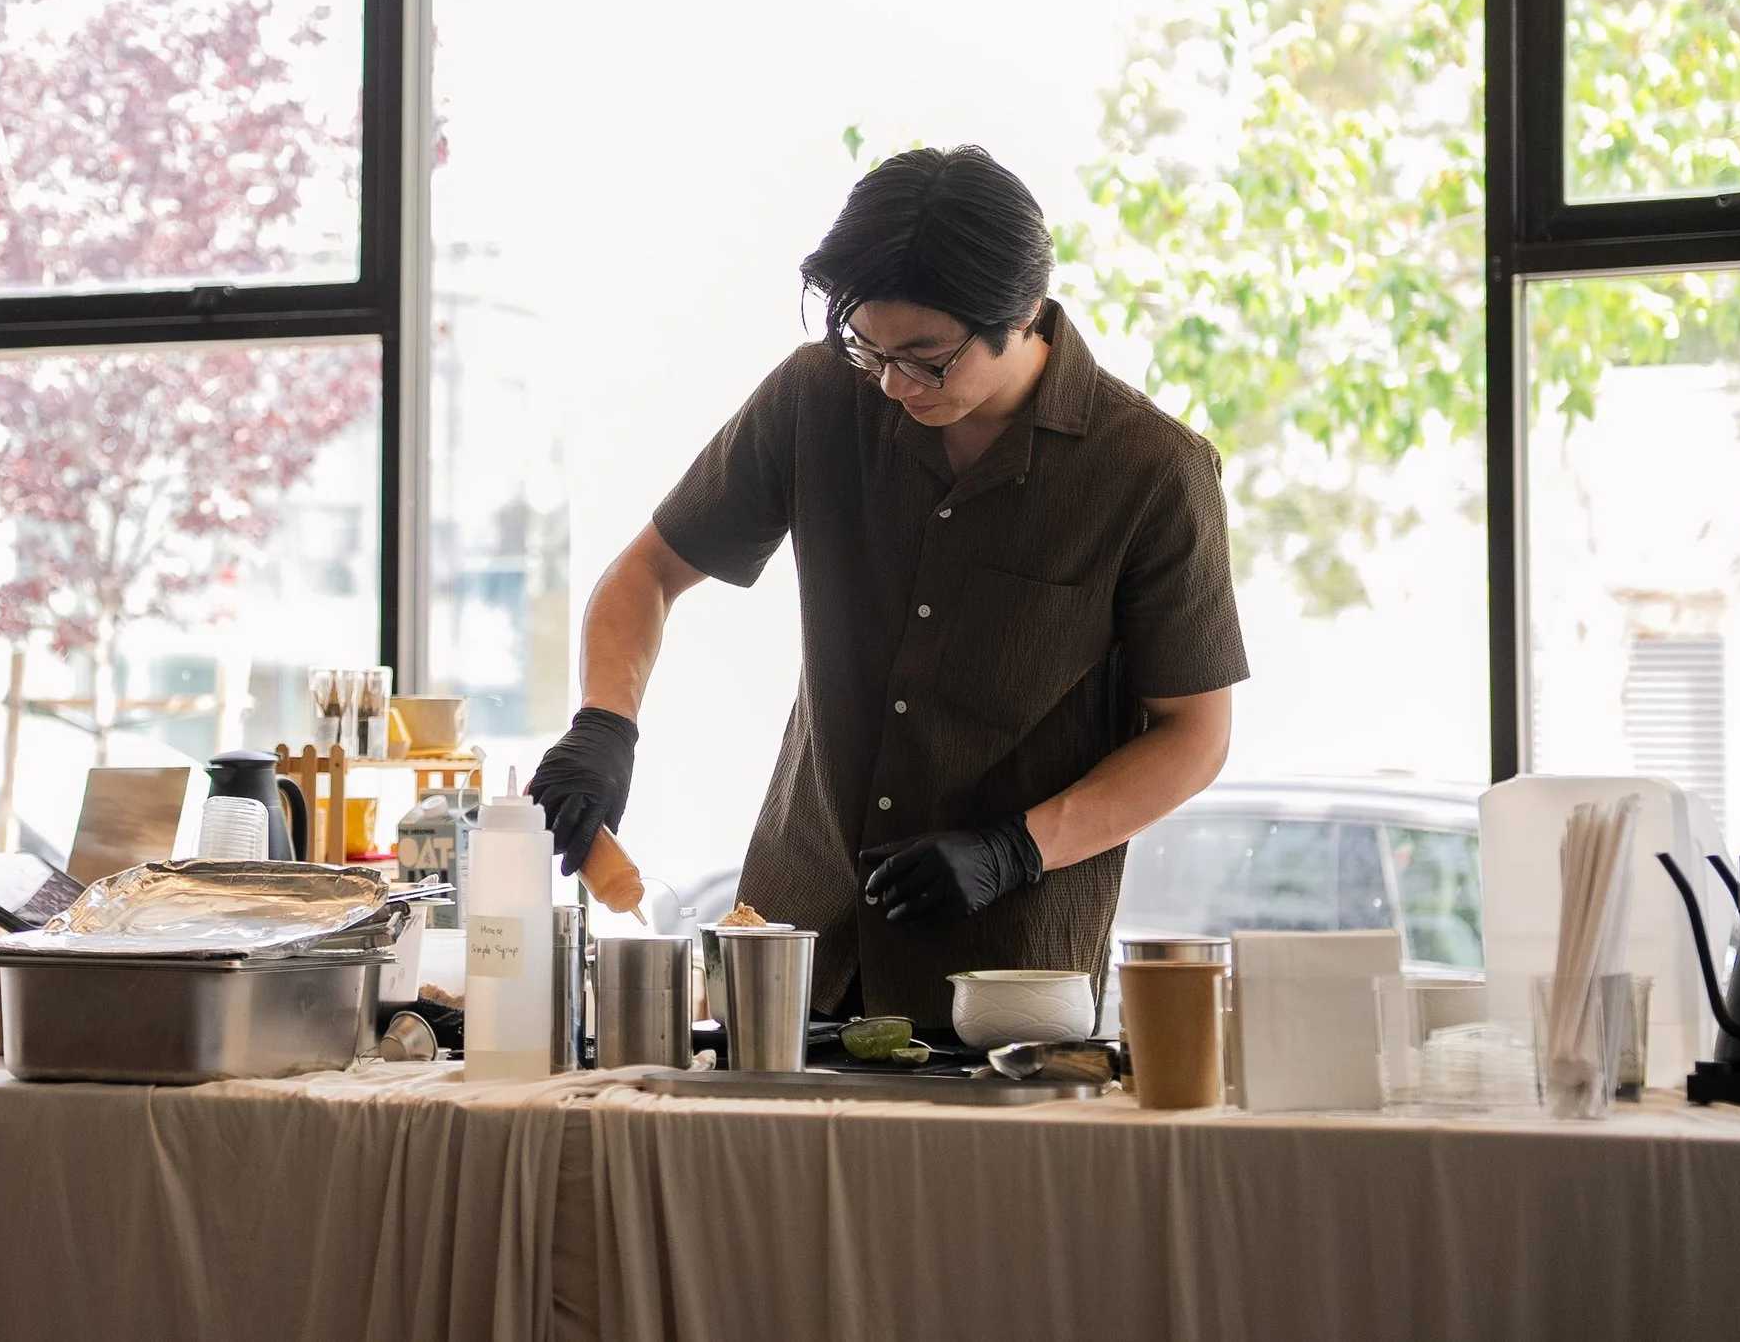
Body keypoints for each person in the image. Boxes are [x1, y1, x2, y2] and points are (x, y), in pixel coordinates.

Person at [524, 145, 1248, 1022]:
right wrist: (606, 723)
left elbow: (1194, 735)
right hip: (789, 951)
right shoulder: (820, 396)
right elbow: (648, 570)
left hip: (1005, 981)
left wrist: (1013, 850)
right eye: (868, 347)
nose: (895, 383)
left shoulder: (1151, 471)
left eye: (928, 357)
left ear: (1022, 313)